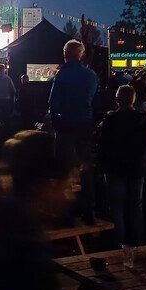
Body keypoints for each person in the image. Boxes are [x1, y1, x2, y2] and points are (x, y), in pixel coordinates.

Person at [98, 85, 146, 246]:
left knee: (116, 208)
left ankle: (118, 243)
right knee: (136, 206)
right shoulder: (142, 118)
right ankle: (137, 242)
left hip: (114, 168)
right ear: (133, 99)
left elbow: (102, 145)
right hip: (136, 168)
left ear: (117, 100)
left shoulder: (110, 119)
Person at [48, 40, 99, 223]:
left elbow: (53, 103)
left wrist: (56, 124)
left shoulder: (61, 75)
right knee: (85, 169)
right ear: (81, 54)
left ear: (65, 54)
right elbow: (96, 102)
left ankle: (67, 213)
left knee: (65, 168)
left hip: (66, 126)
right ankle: (89, 212)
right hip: (85, 125)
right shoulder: (91, 75)